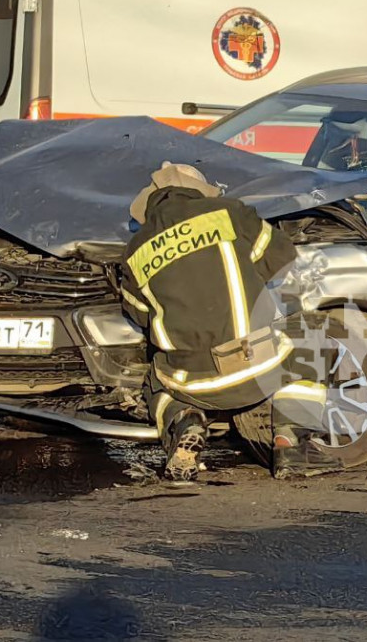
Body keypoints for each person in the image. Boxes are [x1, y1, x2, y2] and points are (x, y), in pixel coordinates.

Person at [120, 162, 349, 480]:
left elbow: (139, 315)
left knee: (155, 382)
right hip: (255, 368)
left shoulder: (134, 250)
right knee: (316, 341)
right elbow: (280, 257)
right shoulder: (228, 213)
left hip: (189, 381)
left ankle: (183, 419)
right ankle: (293, 447)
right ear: (199, 192)